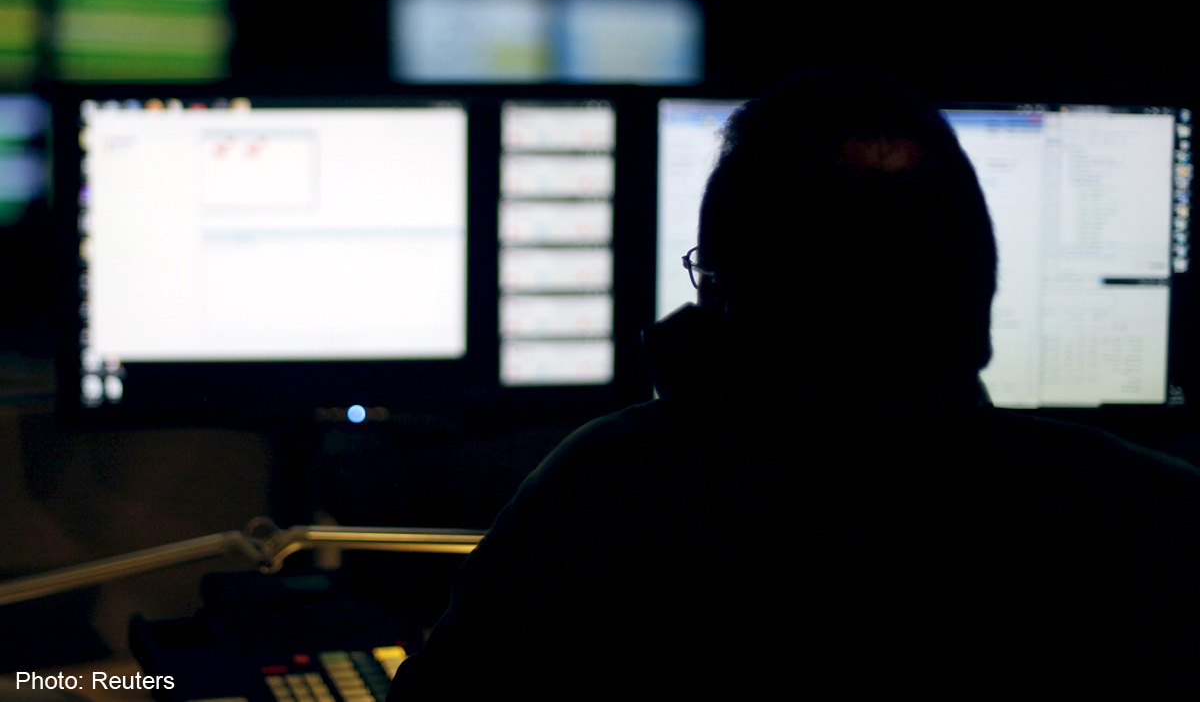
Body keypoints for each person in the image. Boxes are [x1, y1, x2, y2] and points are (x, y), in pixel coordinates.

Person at [388, 72, 1200, 699]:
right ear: (980, 292)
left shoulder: (609, 498)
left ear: (725, 305)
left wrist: (691, 415)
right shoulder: (1158, 516)